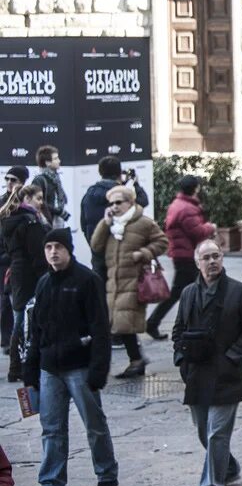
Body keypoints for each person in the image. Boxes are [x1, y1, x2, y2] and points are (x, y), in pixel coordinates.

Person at [24, 228, 119, 486]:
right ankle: (51, 485)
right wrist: (30, 371)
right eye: (48, 247)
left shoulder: (87, 280)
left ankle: (106, 477)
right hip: (49, 369)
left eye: (58, 247)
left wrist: (98, 370)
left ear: (69, 249)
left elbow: (101, 328)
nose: (53, 252)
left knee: (95, 426)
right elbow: (36, 332)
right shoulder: (43, 283)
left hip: (80, 367)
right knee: (51, 428)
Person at [172, 239, 242, 486]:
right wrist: (181, 357)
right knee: (204, 431)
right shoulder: (189, 293)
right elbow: (178, 329)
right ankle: (228, 466)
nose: (212, 262)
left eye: (216, 256)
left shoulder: (240, 292)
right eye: (206, 257)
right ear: (197, 263)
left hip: (226, 374)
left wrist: (234, 356)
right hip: (196, 373)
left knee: (216, 433)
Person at [90, 184, 168, 379]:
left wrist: (142, 253)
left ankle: (132, 361)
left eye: (118, 202)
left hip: (134, 280)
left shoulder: (143, 223)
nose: (114, 206)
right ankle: (135, 359)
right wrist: (104, 224)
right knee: (118, 325)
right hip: (113, 282)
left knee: (123, 324)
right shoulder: (111, 224)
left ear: (130, 202)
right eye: (111, 203)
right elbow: (96, 245)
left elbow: (162, 242)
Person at [146, 175, 215, 340]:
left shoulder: (180, 205)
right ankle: (156, 323)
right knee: (191, 291)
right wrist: (210, 227)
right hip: (187, 255)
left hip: (182, 254)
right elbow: (197, 232)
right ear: (195, 188)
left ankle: (157, 323)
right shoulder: (187, 209)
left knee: (191, 290)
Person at [79, 156, 149, 289]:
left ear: (100, 172)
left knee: (100, 294)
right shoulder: (122, 194)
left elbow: (83, 223)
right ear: (119, 173)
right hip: (119, 252)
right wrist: (135, 183)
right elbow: (143, 201)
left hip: (97, 253)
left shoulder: (89, 195)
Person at [3, 184, 49, 382]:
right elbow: (38, 255)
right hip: (29, 277)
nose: (41, 202)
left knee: (19, 319)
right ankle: (20, 367)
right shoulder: (30, 221)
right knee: (24, 321)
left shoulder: (12, 219)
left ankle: (16, 367)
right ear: (27, 199)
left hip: (17, 275)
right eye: (38, 198)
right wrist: (46, 277)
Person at [0, 165, 29, 353]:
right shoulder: (2, 202)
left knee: (18, 303)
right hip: (5, 258)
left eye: (14, 180)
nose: (9, 183)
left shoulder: (27, 201)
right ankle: (7, 340)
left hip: (20, 258)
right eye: (7, 179)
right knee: (5, 301)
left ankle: (16, 341)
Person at [30, 146, 69, 230]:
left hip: (57, 221)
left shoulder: (55, 179)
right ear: (47, 162)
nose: (59, 161)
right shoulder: (39, 180)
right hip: (46, 222)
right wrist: (58, 211)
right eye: (56, 158)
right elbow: (38, 202)